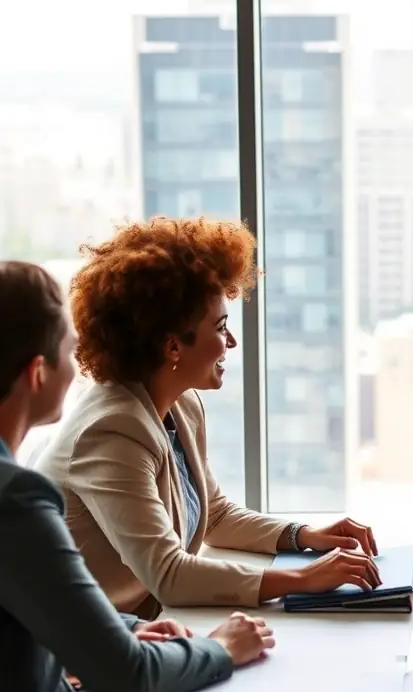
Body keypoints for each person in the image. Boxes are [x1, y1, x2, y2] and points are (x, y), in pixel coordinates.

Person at [0, 260, 352, 692]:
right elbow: (129, 677)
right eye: (68, 348)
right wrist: (221, 649)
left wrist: (114, 629)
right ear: (38, 372)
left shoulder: (174, 409)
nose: (80, 364)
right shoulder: (18, 497)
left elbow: (14, 626)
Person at [35, 217, 380, 619]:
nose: (231, 342)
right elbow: (169, 574)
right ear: (172, 346)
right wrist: (302, 580)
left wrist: (303, 536)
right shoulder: (111, 431)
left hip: (142, 624)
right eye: (220, 327)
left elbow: (214, 514)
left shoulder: (181, 406)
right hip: (77, 651)